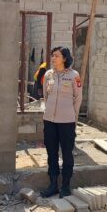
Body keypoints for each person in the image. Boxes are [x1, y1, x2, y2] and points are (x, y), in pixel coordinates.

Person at [40, 46, 83, 198]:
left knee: (67, 153)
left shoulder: (74, 75)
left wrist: (74, 117)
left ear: (64, 58)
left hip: (67, 121)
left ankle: (65, 186)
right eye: (52, 56)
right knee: (51, 153)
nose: (53, 58)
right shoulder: (48, 75)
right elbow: (46, 95)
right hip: (50, 120)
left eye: (56, 56)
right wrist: (48, 111)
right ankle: (53, 185)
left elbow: (78, 98)